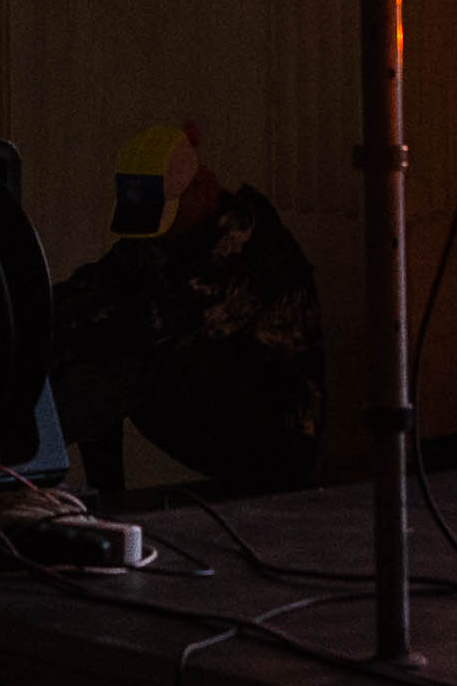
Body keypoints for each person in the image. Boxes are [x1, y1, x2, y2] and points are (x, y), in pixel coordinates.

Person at [48, 119, 325, 504]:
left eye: (167, 214)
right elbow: (102, 282)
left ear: (204, 188)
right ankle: (99, 498)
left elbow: (153, 322)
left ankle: (23, 462)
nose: (159, 233)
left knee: (125, 358)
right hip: (213, 398)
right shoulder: (175, 236)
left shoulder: (250, 255)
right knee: (89, 342)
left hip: (276, 441)